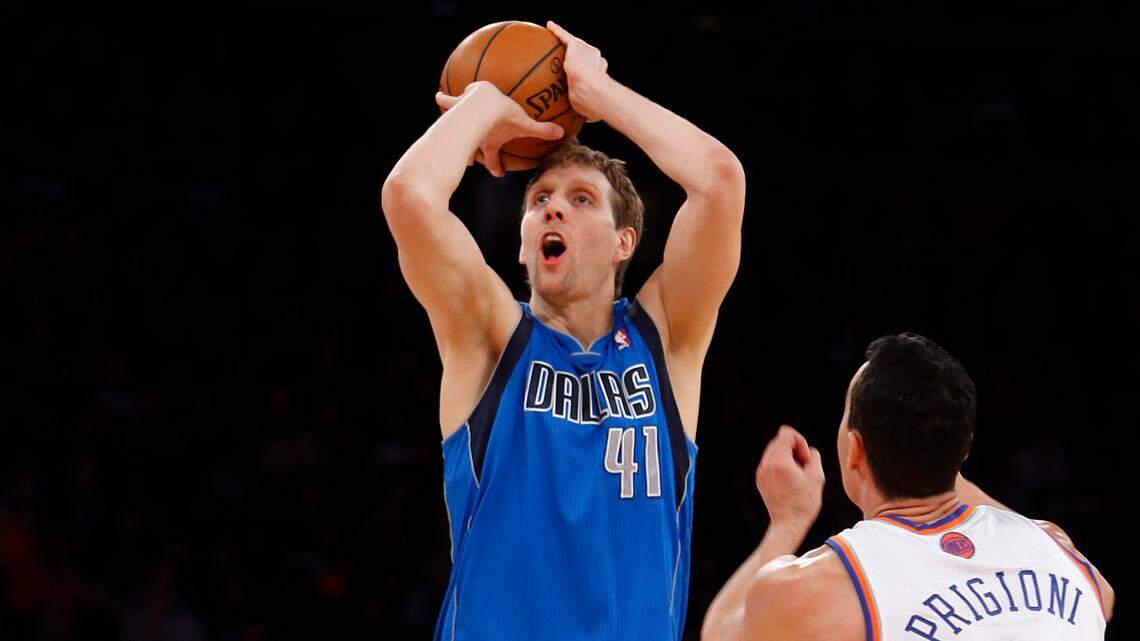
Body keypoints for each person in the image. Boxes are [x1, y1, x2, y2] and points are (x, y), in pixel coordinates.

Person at [381, 20, 745, 641]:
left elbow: (719, 181)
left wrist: (598, 93)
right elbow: (410, 196)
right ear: (523, 246)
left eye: (582, 200)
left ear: (623, 243)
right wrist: (482, 104)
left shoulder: (667, 338)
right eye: (541, 197)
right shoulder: (491, 338)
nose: (553, 205)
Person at [702, 333, 1114, 641]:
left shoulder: (820, 584)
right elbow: (1104, 600)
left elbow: (721, 632)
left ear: (855, 450)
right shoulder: (1058, 550)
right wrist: (942, 450)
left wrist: (789, 520)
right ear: (965, 447)